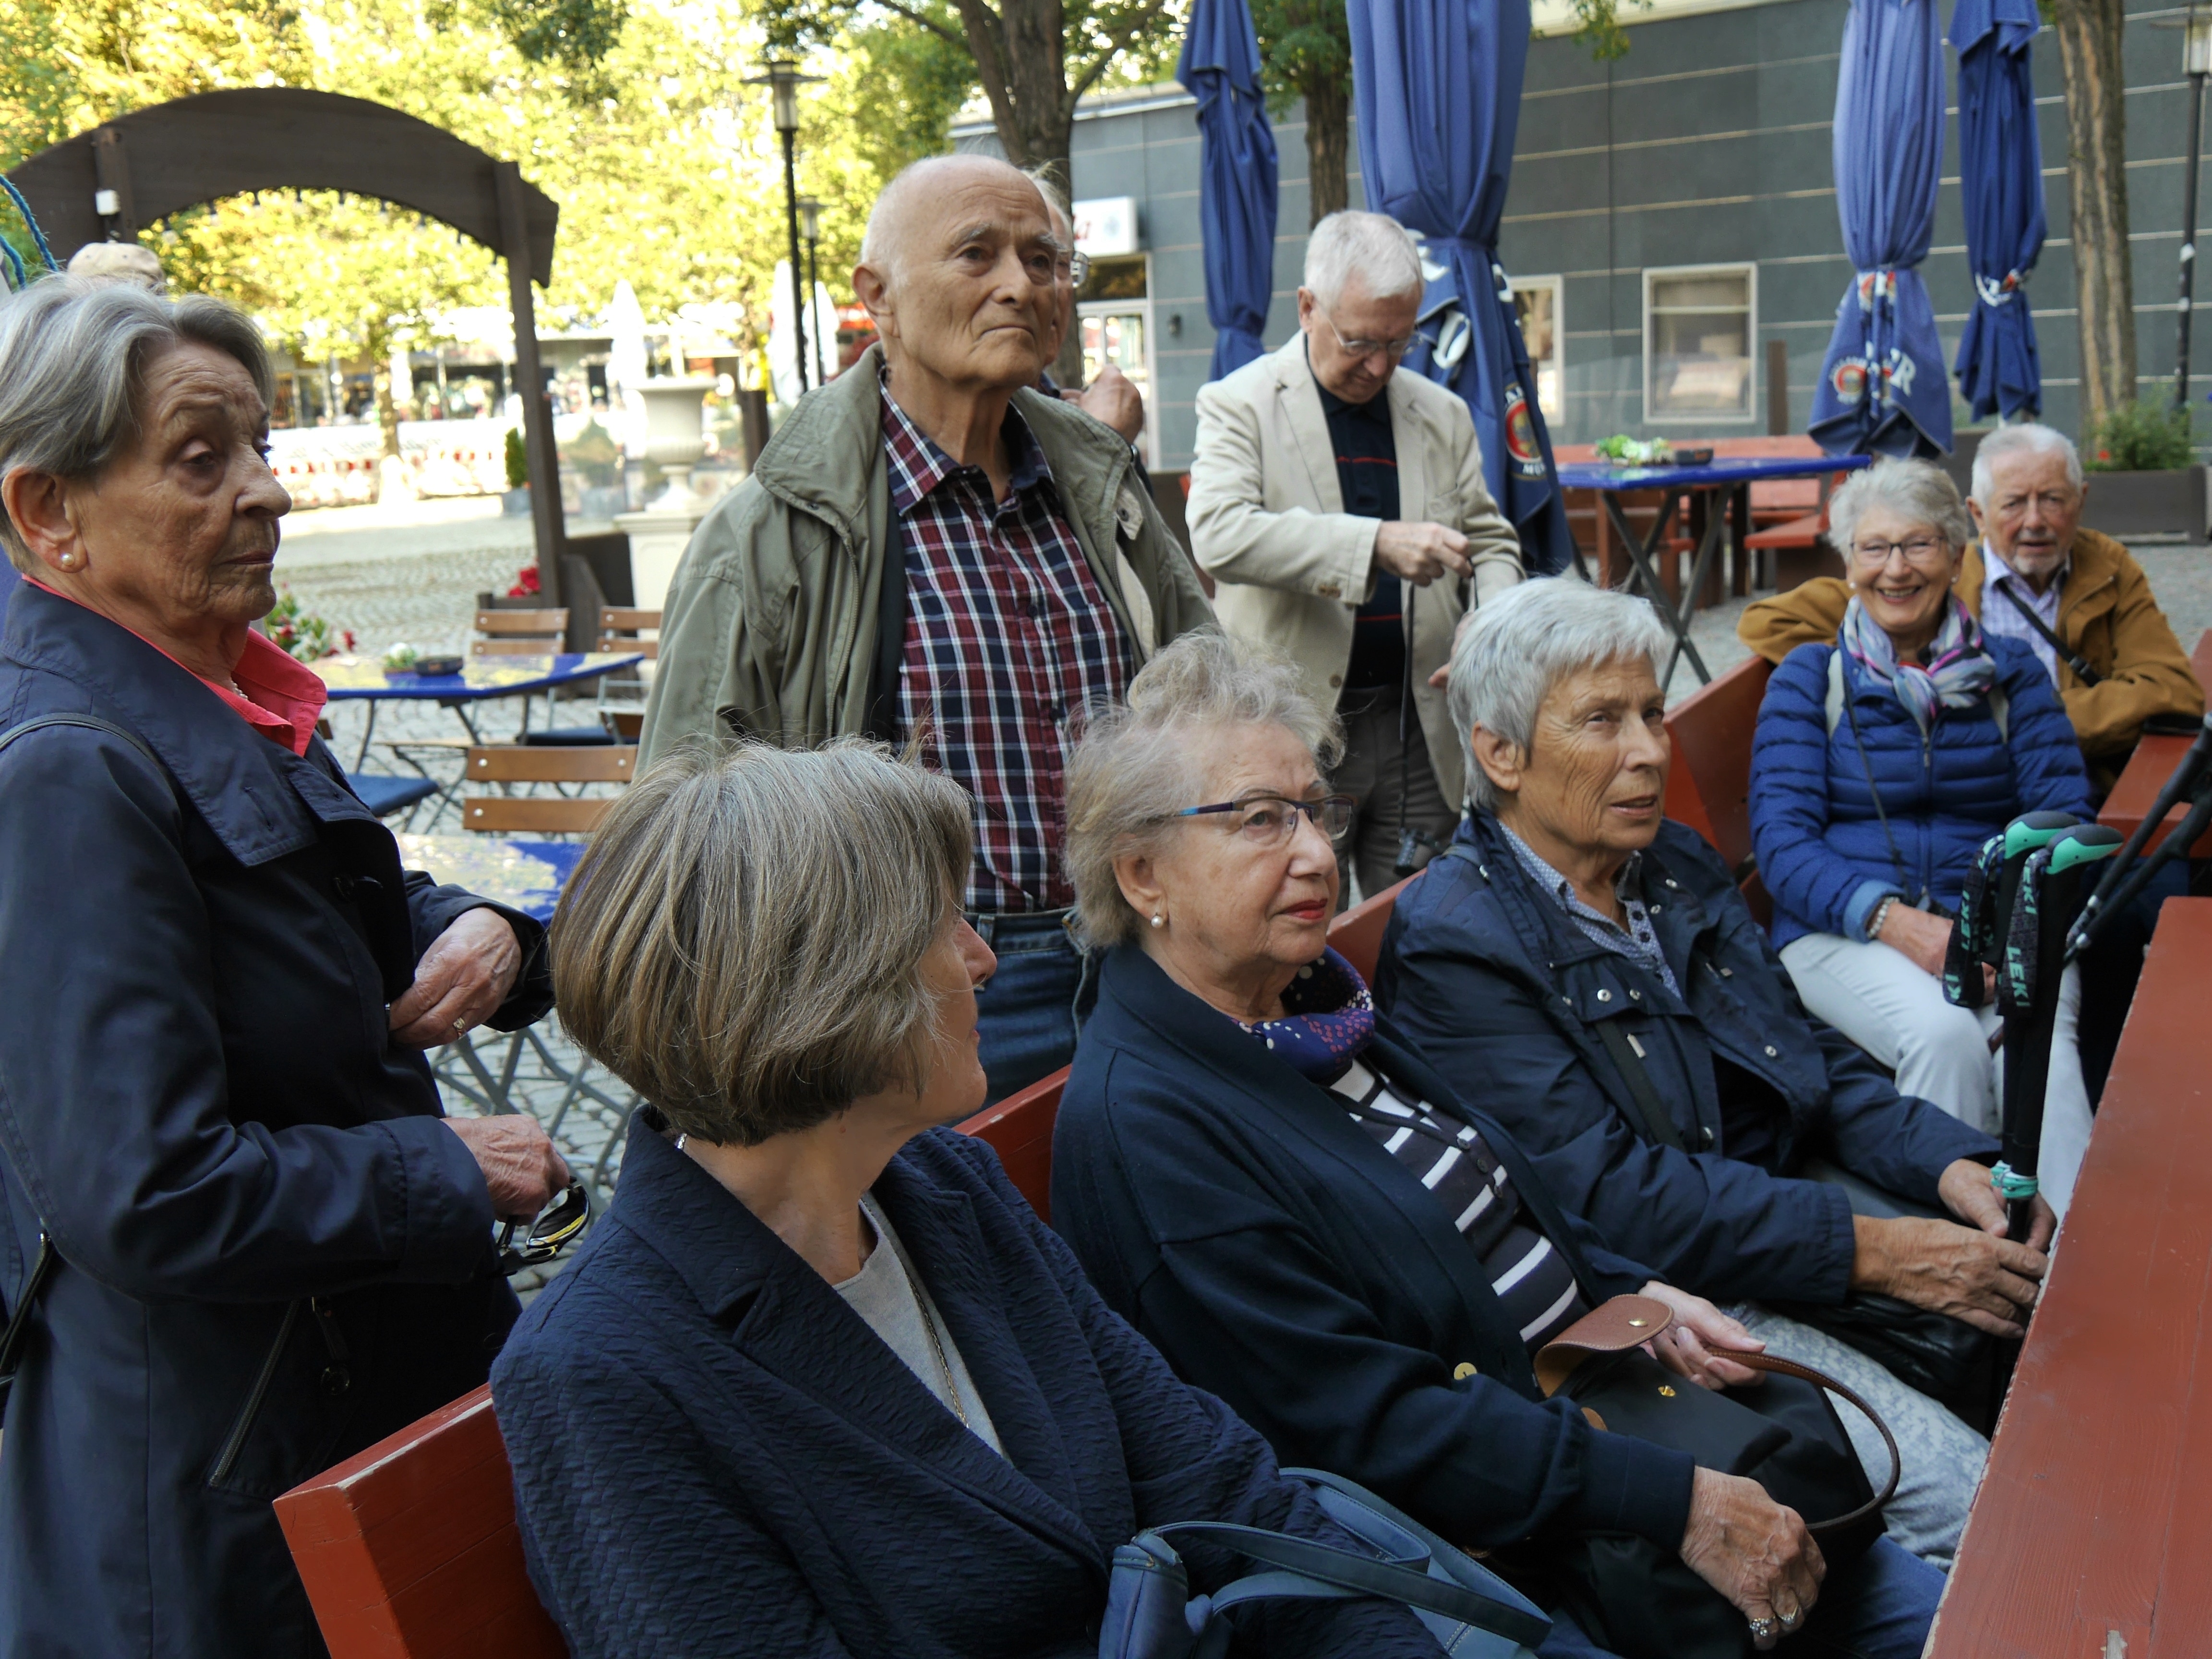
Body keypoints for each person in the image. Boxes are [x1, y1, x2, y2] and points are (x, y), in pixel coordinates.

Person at [1051, 632, 1942, 1659]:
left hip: (1615, 1420)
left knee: (1950, 1589)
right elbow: (1364, 1427)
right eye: (1259, 820)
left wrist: (1635, 1293)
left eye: (1314, 811)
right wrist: (1676, 1502)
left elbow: (1503, 1194)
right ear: (1142, 875)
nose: (1317, 855)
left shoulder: (1309, 1008)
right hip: (1523, 1562)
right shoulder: (1150, 1127)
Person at [492, 740, 1446, 1659]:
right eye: (942, 925)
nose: (983, 959)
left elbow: (1223, 1490)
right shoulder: (604, 1370)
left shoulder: (946, 1190)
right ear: (826, 987)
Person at [0, 277, 569, 1655]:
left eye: (259, 445)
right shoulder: (70, 767)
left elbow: (322, 906)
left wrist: (484, 931)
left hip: (324, 1416)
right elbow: (143, 1191)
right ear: (48, 511)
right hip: (225, 1484)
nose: (268, 489)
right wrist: (447, 1166)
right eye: (203, 459)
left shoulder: (199, 692)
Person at [1375, 577, 2058, 1568]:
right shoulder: (1456, 942)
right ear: (1500, 754)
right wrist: (1878, 1251)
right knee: (2000, 1523)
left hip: (1779, 1222)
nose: (1650, 751)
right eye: (1602, 721)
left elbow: (1801, 1052)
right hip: (1679, 1303)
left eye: (1652, 713)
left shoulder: (1670, 865)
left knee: (2058, 1321)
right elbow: (1610, 1200)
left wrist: (1947, 1159)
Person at [639, 154, 1211, 1103]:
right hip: (922, 994)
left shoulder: (1103, 488)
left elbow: (1206, 696)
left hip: (1147, 959)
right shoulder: (769, 536)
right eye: (977, 254)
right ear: (879, 297)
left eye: (1043, 260)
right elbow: (685, 830)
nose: (1020, 285)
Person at [1746, 460, 2103, 1210]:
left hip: (2003, 927)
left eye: (1918, 545)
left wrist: (2008, 931)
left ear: (1956, 553)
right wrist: (1900, 924)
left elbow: (2064, 812)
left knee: (2040, 1046)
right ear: (1848, 563)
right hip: (1843, 929)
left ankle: (2071, 1250)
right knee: (1944, 1036)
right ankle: (1958, 1247)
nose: (1896, 569)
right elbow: (1782, 843)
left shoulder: (2010, 674)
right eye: (1874, 548)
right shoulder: (1811, 679)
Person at [1186, 210, 1523, 898]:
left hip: (1420, 723)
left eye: (1400, 342)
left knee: (1430, 919)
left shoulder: (1443, 413)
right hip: (1290, 725)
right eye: (1362, 341)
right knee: (1301, 922)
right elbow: (1219, 533)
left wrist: (1487, 626)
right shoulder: (1238, 402)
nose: (1380, 365)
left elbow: (1490, 543)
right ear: (1307, 308)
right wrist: (1374, 543)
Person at [1739, 423, 2202, 794]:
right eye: (2014, 503)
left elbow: (2173, 689)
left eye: (2053, 500)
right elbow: (1767, 622)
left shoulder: (2107, 569)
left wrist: (2023, 720)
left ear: (2081, 501)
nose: (2035, 521)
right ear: (1978, 515)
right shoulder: (1926, 577)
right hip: (1962, 788)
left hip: (2082, 786)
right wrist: (1893, 678)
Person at [1029, 170, 1148, 448]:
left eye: (1062, 264)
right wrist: (1104, 441)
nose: (1055, 287)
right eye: (1037, 262)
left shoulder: (1076, 414)